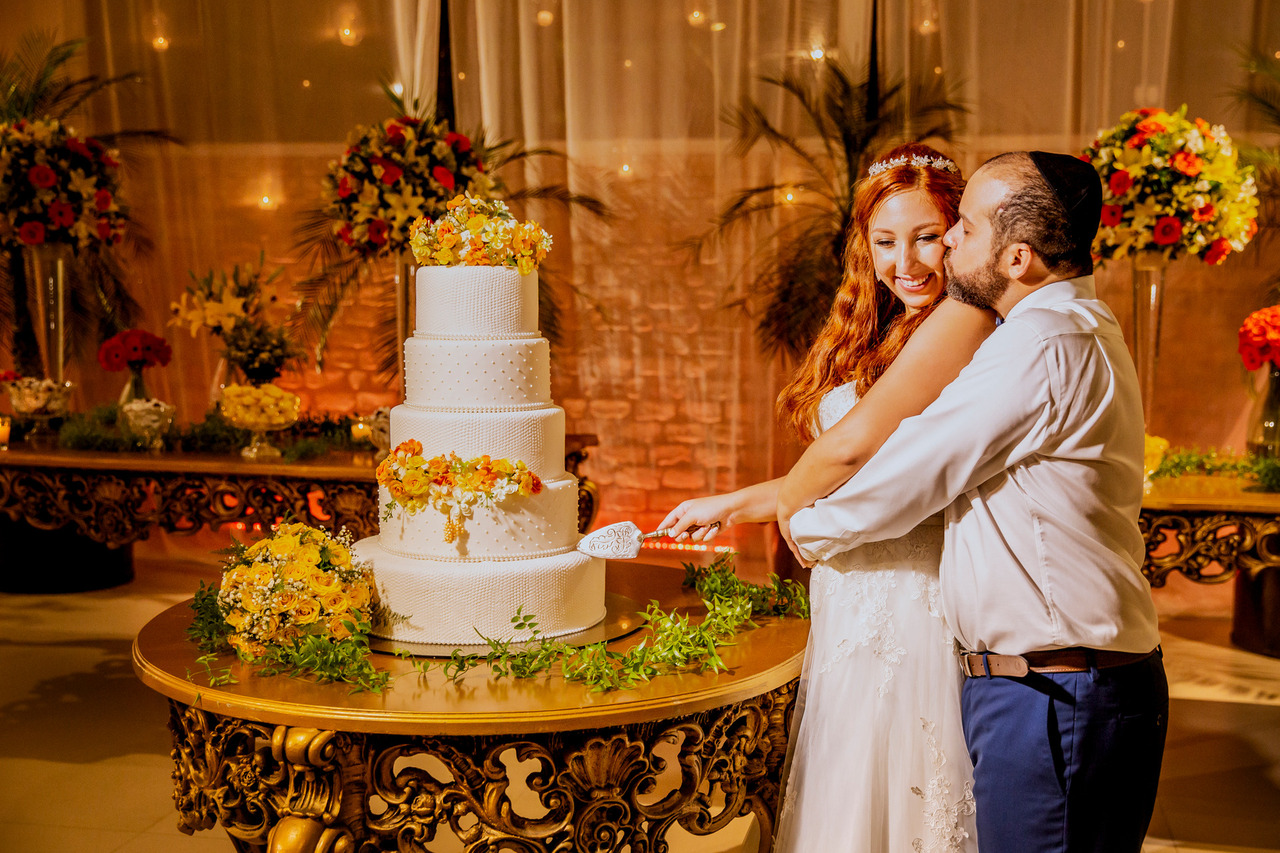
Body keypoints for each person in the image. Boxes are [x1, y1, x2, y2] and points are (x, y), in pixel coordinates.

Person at [783, 151, 1168, 853]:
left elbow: (913, 469)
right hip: (1060, 682)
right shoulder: (1068, 325)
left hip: (1056, 692)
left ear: (1017, 256)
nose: (950, 241)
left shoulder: (1039, 344)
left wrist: (803, 524)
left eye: (959, 226)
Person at [660, 142, 997, 852]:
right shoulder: (878, 327)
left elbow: (865, 467)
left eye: (926, 237)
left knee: (901, 797)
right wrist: (733, 504)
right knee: (845, 797)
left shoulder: (959, 326)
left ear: (959, 235)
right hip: (851, 591)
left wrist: (791, 517)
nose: (905, 262)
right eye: (885, 241)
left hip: (909, 597)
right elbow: (845, 469)